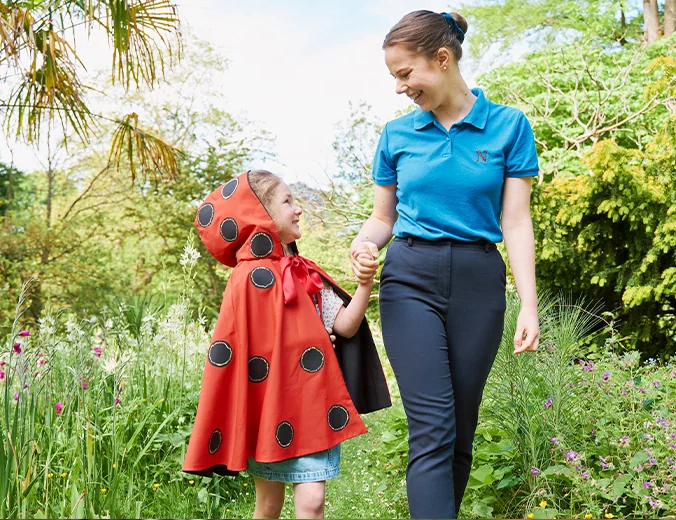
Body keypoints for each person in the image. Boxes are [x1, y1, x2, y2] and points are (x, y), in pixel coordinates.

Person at [350, 10, 541, 518]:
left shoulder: (508, 127)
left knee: (460, 427)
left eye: (405, 73)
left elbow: (517, 222)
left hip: (480, 280)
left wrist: (529, 304)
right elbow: (381, 217)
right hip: (410, 277)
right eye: (394, 77)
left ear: (442, 58)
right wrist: (363, 243)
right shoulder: (396, 136)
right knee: (433, 425)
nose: (399, 87)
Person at [183, 170, 391, 519]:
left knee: (311, 502)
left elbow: (345, 326)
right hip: (269, 409)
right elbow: (239, 348)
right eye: (287, 202)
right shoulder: (245, 280)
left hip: (311, 404)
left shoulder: (304, 272)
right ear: (260, 214)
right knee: (267, 505)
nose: (298, 210)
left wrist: (364, 286)